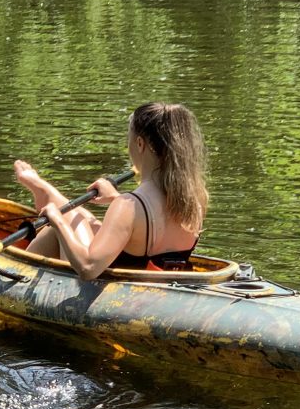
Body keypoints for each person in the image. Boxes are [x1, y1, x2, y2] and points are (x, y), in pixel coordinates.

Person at [13, 102, 208, 280]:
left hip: (112, 293)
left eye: (129, 138)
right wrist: (115, 197)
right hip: (154, 287)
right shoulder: (194, 201)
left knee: (62, 223)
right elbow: (154, 225)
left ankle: (12, 277)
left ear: (140, 144)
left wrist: (56, 221)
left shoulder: (128, 206)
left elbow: (88, 268)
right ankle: (43, 190)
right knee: (79, 215)